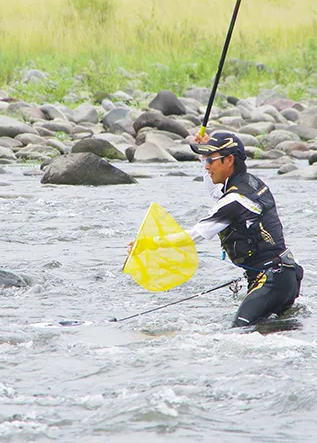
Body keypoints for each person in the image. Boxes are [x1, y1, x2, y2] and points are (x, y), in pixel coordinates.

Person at [130, 131, 303, 327]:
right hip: (285, 275)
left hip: (272, 282)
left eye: (211, 160)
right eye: (206, 161)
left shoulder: (237, 201)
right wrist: (204, 154)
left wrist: (150, 244)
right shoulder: (250, 183)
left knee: (239, 333)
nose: (207, 166)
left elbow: (195, 235)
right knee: (270, 331)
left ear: (229, 160)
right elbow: (215, 191)